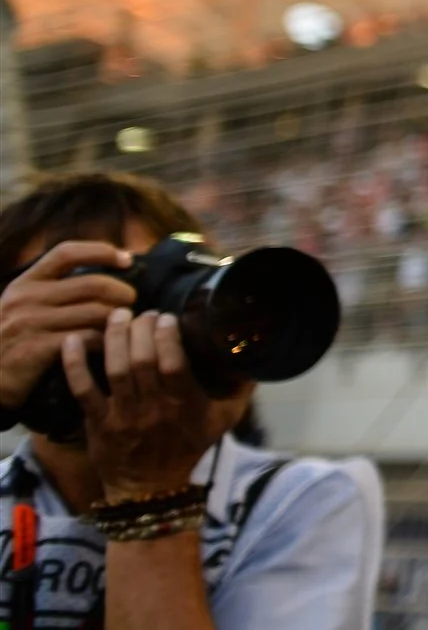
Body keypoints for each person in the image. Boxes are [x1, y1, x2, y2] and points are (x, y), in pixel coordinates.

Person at [0, 171, 384, 630]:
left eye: (153, 289)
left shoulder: (294, 500)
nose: (132, 326)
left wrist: (150, 490)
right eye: (86, 289)